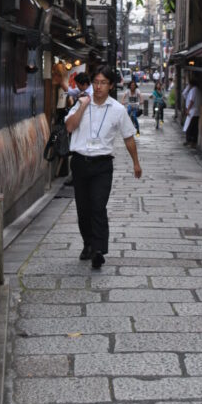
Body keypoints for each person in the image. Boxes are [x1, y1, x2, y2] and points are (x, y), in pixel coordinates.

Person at [65, 65, 142, 270]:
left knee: (98, 206)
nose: (98, 87)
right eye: (96, 82)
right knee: (83, 209)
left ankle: (99, 250)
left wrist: (136, 162)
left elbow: (128, 137)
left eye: (103, 83)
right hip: (80, 162)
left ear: (110, 86)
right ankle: (88, 244)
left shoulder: (117, 109)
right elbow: (69, 127)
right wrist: (81, 106)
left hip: (102, 165)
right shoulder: (81, 103)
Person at [183, 75, 201, 146]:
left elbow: (191, 101)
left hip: (193, 110)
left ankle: (189, 140)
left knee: (190, 126)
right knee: (194, 126)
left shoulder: (194, 90)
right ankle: (193, 141)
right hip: (196, 111)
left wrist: (188, 109)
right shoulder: (197, 90)